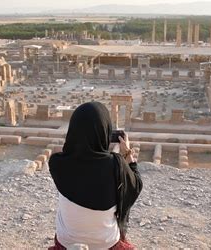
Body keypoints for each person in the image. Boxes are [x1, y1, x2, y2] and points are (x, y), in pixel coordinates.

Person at [48, 101, 143, 250]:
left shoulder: (57, 163)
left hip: (66, 242)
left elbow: (71, 154)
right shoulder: (116, 165)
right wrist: (127, 154)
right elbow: (136, 185)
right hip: (105, 243)